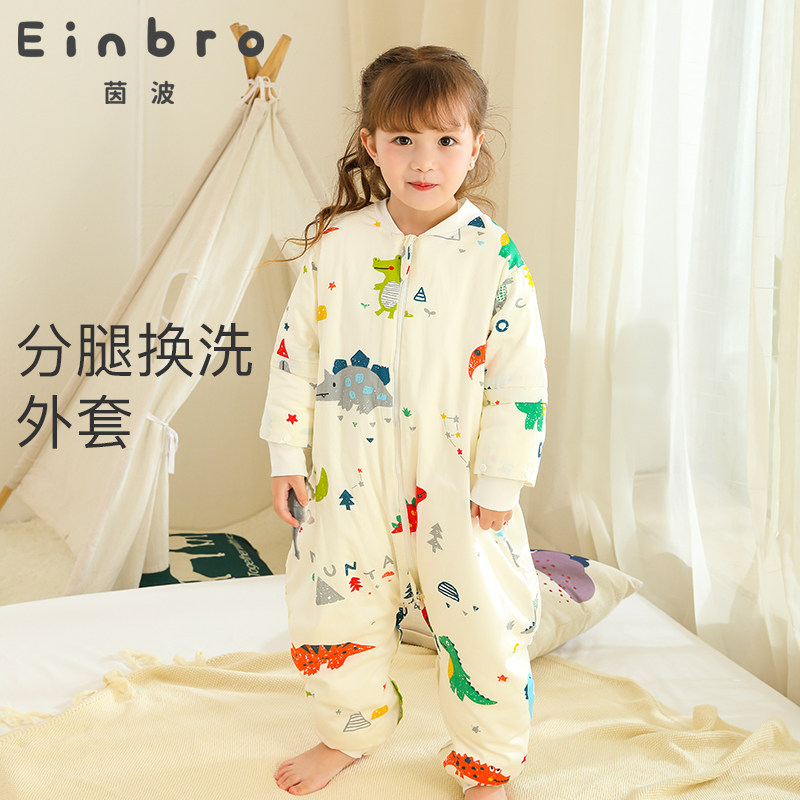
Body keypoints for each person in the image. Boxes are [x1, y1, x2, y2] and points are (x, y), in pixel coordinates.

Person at [261, 45, 547, 798]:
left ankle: (487, 762)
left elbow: (520, 378)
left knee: (483, 627)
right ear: (372, 145)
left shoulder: (494, 256)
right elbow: (295, 353)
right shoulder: (338, 247)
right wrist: (286, 453)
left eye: (447, 140)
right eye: (403, 139)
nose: (425, 160)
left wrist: (503, 479)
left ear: (474, 147)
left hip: (457, 484)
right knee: (333, 614)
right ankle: (350, 733)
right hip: (347, 475)